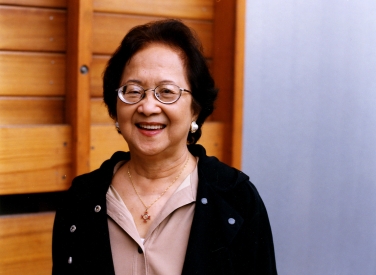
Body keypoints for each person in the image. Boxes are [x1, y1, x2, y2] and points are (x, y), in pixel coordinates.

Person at [52, 19, 277, 275]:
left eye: (166, 92)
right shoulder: (81, 199)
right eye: (133, 91)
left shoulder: (236, 199)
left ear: (196, 108)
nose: (148, 107)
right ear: (115, 107)